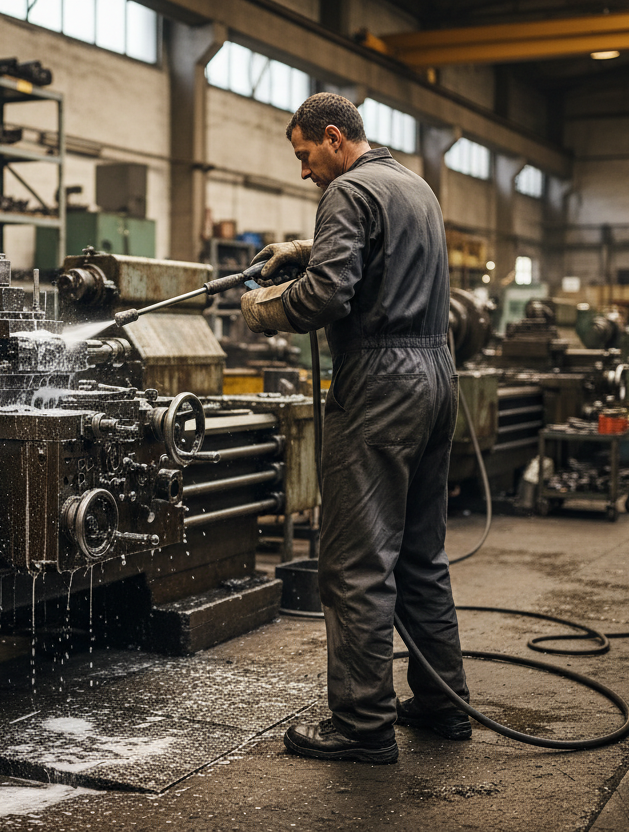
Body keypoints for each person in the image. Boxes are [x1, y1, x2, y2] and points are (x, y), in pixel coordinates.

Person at [242, 92, 470, 764]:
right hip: (435, 377)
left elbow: (327, 297)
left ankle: (363, 724)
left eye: (306, 154)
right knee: (421, 556)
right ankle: (440, 704)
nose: (305, 170)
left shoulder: (347, 191)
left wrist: (264, 307)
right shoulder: (414, 187)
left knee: (355, 562)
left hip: (380, 382)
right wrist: (308, 248)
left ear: (334, 137)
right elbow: (382, 256)